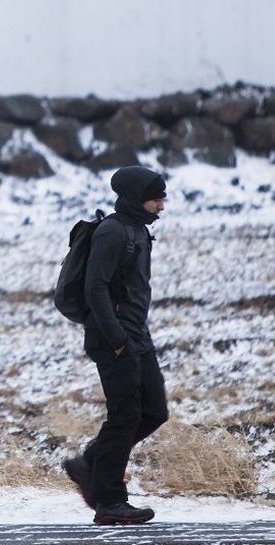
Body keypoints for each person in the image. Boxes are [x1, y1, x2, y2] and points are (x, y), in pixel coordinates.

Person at [63, 166, 169, 525]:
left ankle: (90, 462)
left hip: (136, 334)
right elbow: (95, 288)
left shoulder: (137, 229)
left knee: (155, 411)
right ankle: (110, 501)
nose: (162, 205)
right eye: (157, 198)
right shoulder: (112, 231)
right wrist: (118, 339)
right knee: (125, 417)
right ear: (137, 197)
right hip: (114, 338)